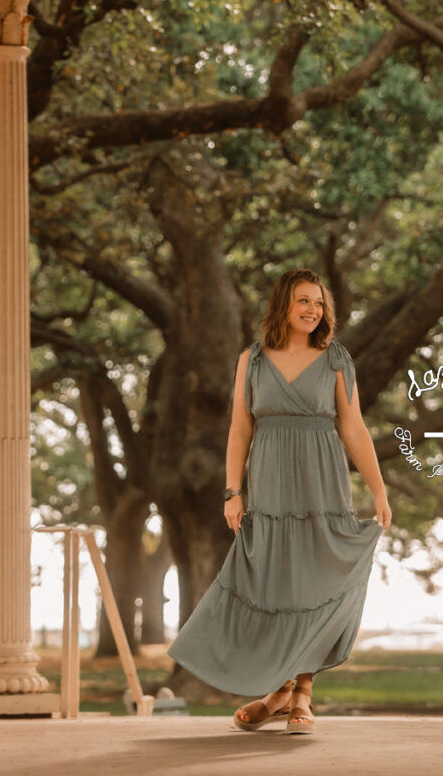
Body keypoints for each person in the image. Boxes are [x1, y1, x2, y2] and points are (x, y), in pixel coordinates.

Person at [167, 268, 393, 734]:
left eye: (319, 302)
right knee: (272, 585)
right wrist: (233, 490)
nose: (313, 310)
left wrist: (378, 487)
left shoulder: (335, 359)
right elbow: (240, 427)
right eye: (303, 301)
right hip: (269, 486)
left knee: (313, 585)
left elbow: (352, 427)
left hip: (322, 485)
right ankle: (280, 693)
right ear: (283, 307)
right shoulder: (251, 360)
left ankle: (299, 694)